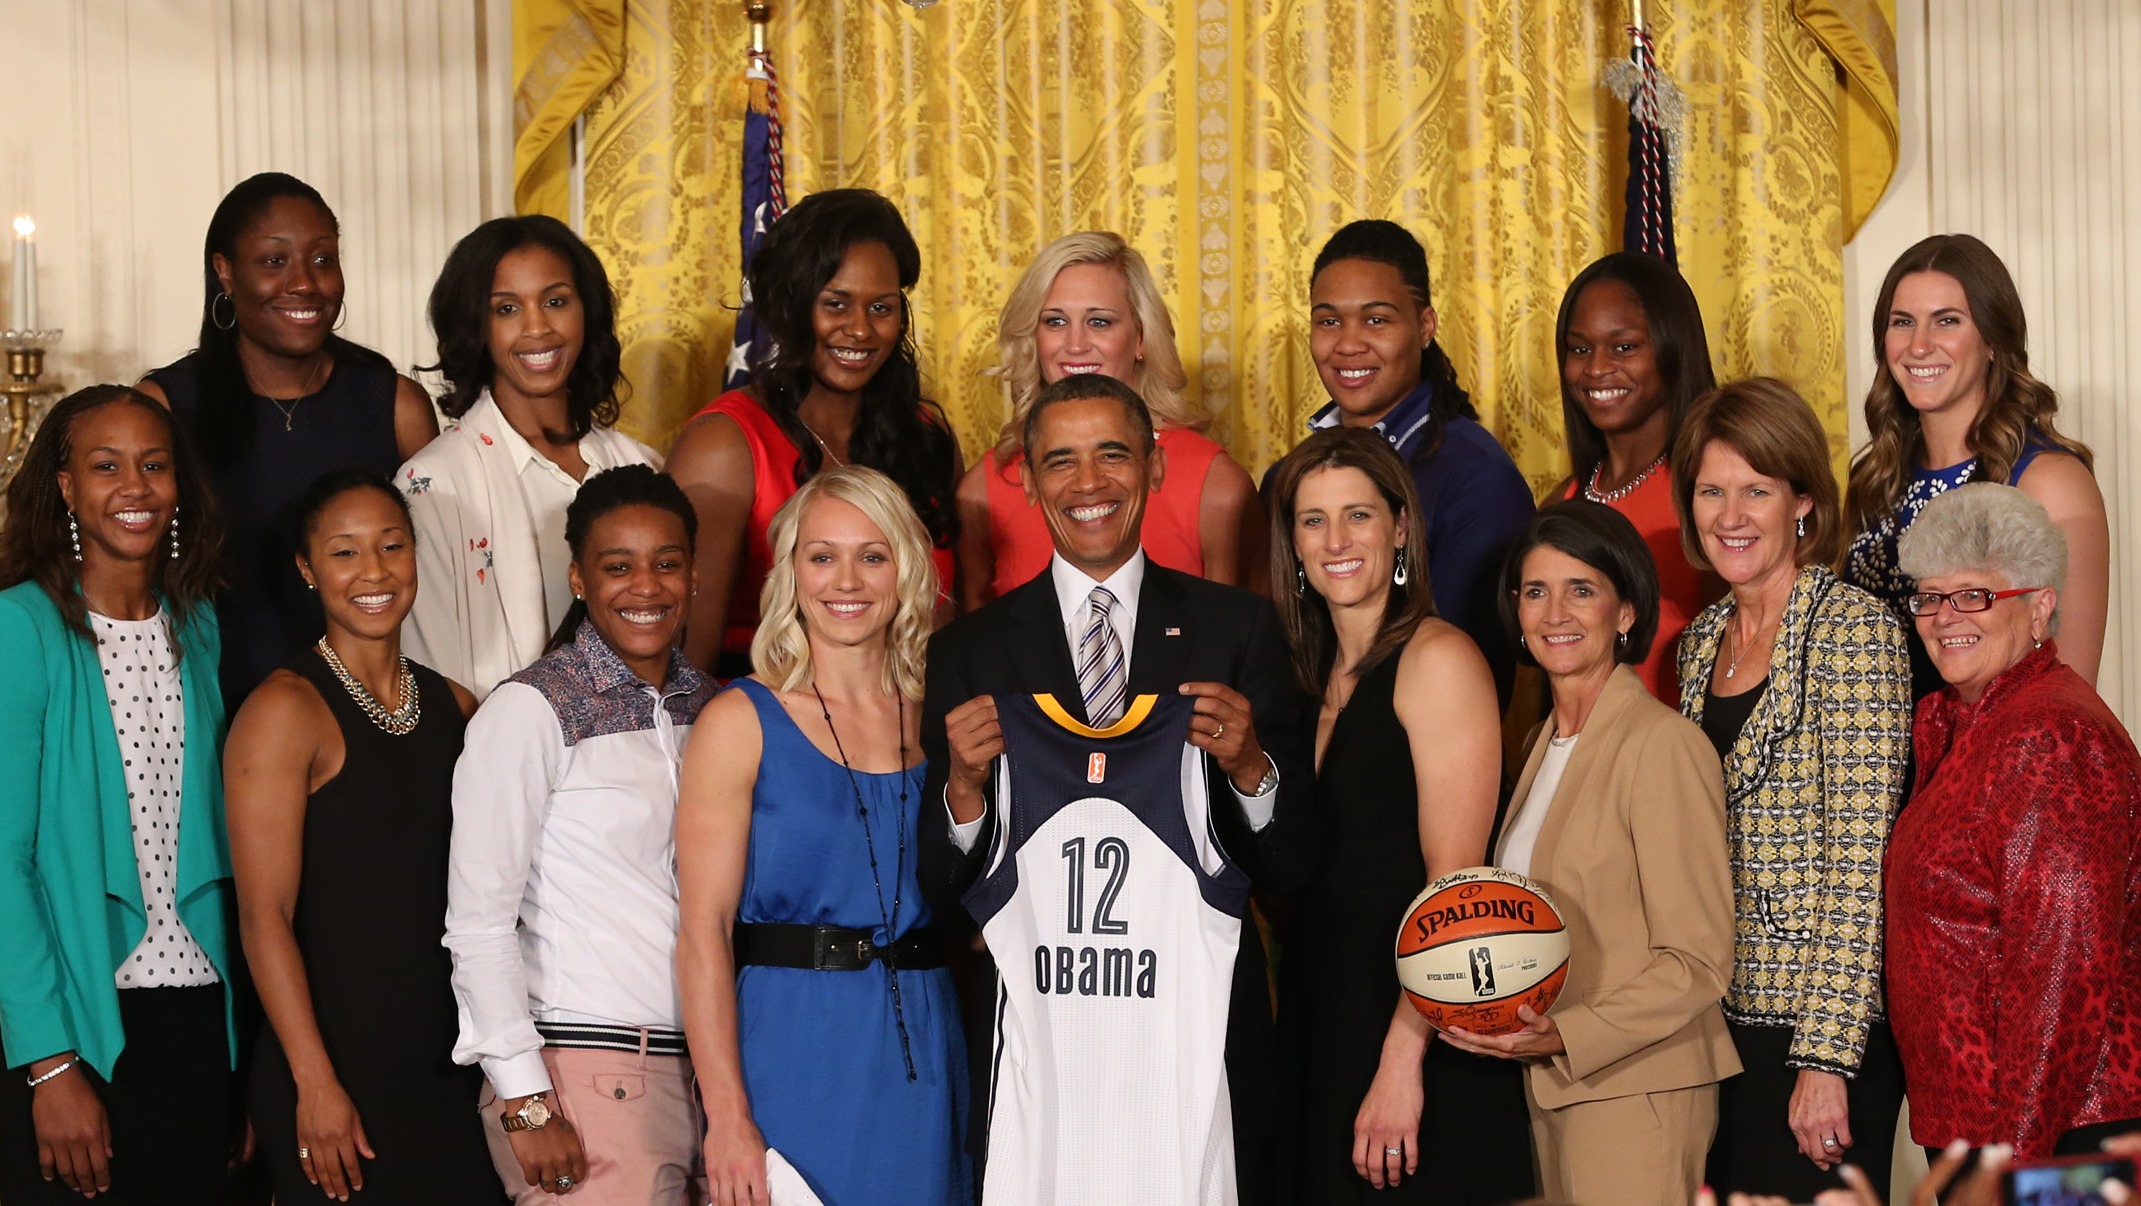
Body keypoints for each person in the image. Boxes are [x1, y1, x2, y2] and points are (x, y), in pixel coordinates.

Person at [921, 373, 1311, 1204]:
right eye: (1060, 461)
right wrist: (962, 791)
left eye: (1111, 455)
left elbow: (1295, 867)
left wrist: (1250, 772)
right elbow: (942, 893)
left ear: (1156, 466)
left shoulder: (1235, 628)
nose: (1088, 484)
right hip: (1048, 1045)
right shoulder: (970, 651)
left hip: (1192, 1036)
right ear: (1025, 479)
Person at [677, 466, 970, 1206]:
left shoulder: (944, 720)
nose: (847, 579)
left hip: (926, 1046)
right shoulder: (739, 720)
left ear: (905, 569)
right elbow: (700, 934)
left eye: (872, 555)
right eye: (822, 555)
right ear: (790, 572)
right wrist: (728, 1118)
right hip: (792, 1045)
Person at [1443, 499, 1739, 1206]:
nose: (1554, 614)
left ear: (1626, 611)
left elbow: (1697, 961)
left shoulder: (1661, 745)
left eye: (1581, 590)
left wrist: (1563, 1036)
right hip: (1555, 1087)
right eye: (1534, 592)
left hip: (1637, 1090)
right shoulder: (1541, 743)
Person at [1264, 428, 1533, 1204]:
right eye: (1313, 521)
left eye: (1358, 515)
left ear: (1401, 529)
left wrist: (1400, 1062)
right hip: (1321, 1019)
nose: (1336, 540)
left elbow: (1456, 894)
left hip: (1414, 1032)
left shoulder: (1437, 660)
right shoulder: (1304, 677)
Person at [225, 468, 501, 1204]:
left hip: (452, 1072)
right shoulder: (284, 711)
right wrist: (315, 1083)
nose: (373, 572)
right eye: (345, 553)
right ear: (307, 569)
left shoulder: (459, 706)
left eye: (391, 546)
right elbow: (263, 918)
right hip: (334, 1075)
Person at [443, 465, 717, 1203]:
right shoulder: (530, 710)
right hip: (588, 1075)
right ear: (577, 577)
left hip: (711, 1075)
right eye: (617, 566)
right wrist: (526, 1100)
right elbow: (478, 923)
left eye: (666, 563)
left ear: (693, 572)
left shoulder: (714, 708)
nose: (646, 587)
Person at [1668, 380, 1911, 1198]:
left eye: (1755, 491)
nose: (1729, 515)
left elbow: (1860, 858)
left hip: (1817, 1033)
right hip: (1714, 1023)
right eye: (1710, 491)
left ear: (1801, 502)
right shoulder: (1698, 644)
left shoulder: (1853, 629)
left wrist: (1824, 1060)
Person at [0, 385, 238, 1203]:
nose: (135, 487)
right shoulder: (20, 627)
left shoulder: (198, 623)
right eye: (106, 466)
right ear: (65, 485)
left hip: (200, 1014)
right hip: (80, 1023)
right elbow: (5, 863)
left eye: (154, 465)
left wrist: (238, 1055)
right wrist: (50, 1064)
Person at [1885, 483, 2141, 1160]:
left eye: (1973, 595)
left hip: (2067, 1136)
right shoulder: (1963, 723)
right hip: (1985, 1128)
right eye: (1929, 597)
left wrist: (2015, 1165)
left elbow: (2062, 977)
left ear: (2038, 607)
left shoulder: (2048, 735)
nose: (1945, 617)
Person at [139, 172, 438, 706]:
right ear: (225, 272)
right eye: (274, 261)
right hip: (207, 710)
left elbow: (432, 587)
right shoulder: (167, 408)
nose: (305, 282)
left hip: (368, 716)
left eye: (323, 259)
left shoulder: (397, 406)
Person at [668, 188, 963, 676]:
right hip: (769, 731)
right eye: (836, 304)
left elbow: (954, 626)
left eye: (882, 308)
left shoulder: (928, 439)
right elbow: (687, 665)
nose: (861, 330)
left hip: (916, 729)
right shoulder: (724, 445)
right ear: (792, 306)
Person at [398, 215, 661, 699]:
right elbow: (435, 681)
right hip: (495, 759)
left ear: (588, 310)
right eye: (506, 309)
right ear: (474, 324)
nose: (537, 328)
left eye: (556, 301)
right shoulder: (433, 484)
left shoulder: (641, 466)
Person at [1843, 234, 2108, 699]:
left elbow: (2070, 694)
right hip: (1872, 763)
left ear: (1991, 339)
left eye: (1946, 321)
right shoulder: (1873, 480)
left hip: (1995, 764)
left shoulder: (2050, 482)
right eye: (1902, 322)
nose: (1919, 346)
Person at [1290, 219, 1535, 706]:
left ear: (1425, 326)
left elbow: (1467, 673)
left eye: (1376, 319)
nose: (1348, 343)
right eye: (1329, 320)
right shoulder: (1291, 474)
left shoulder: (1477, 478)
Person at [953, 230, 1264, 609]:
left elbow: (1240, 647)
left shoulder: (1215, 484)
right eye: (1054, 321)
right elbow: (971, 652)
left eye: (1099, 322)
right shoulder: (983, 489)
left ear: (1141, 338)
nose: (1076, 344)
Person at [1553, 251, 1722, 702]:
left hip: (1679, 759)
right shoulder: (1562, 500)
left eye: (1624, 347)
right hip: (1582, 760)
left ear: (1672, 347)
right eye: (1580, 348)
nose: (1596, 368)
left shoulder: (1710, 491)